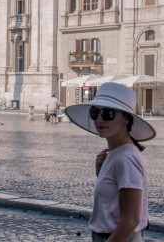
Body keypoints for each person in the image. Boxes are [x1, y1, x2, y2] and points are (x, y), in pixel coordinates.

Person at [63, 82, 154, 242]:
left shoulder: (126, 158)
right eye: (95, 113)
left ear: (126, 118)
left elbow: (131, 219)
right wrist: (102, 174)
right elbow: (113, 201)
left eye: (108, 113)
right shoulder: (115, 154)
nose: (99, 119)